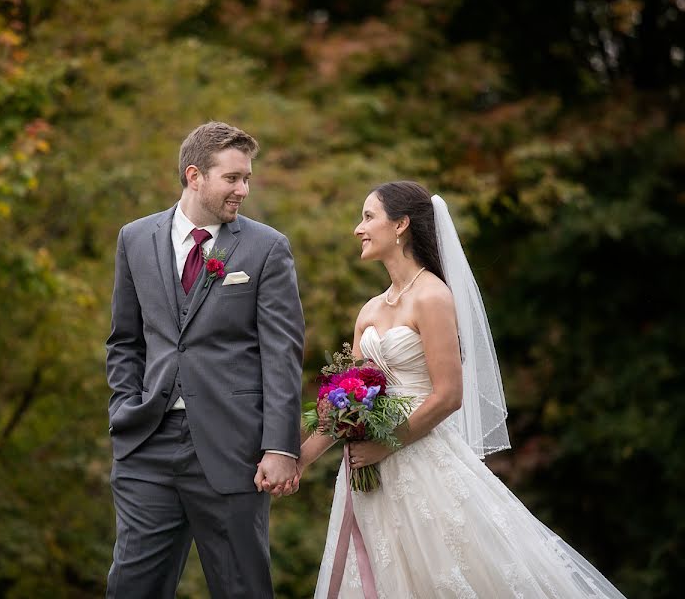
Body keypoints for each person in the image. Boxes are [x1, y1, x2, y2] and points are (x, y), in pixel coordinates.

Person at [296, 181, 627, 598]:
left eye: (367, 217)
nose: (357, 229)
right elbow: (347, 400)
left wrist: (387, 445)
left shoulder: (433, 296)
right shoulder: (370, 310)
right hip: (368, 475)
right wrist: (299, 463)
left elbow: (449, 395)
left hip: (418, 458)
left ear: (400, 225)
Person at [105, 121, 305, 598]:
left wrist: (280, 446)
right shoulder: (134, 239)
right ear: (195, 175)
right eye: (233, 178)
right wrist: (124, 408)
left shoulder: (266, 247)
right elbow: (124, 341)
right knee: (131, 588)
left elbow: (282, 353)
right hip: (147, 444)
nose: (244, 189)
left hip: (233, 447)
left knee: (242, 589)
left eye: (247, 178)